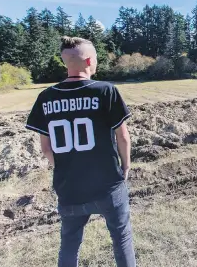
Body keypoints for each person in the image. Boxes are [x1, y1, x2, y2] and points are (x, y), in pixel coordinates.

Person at [25, 36, 136, 267]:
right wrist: (126, 166)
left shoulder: (46, 97)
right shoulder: (106, 91)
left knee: (69, 243)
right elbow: (123, 137)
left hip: (69, 188)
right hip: (108, 186)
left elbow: (46, 148)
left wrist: (66, 167)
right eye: (95, 59)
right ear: (88, 61)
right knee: (121, 238)